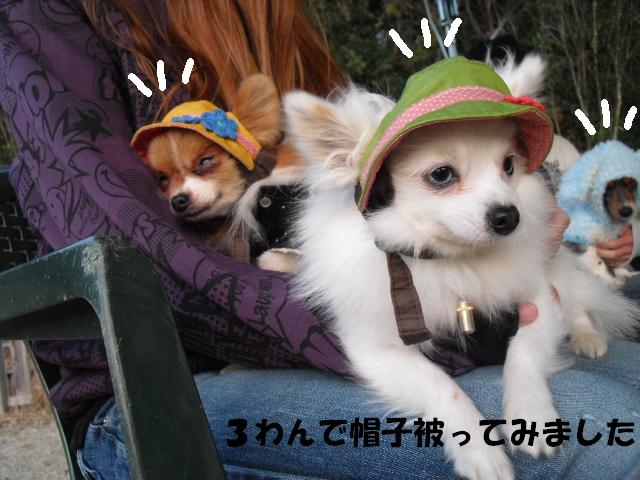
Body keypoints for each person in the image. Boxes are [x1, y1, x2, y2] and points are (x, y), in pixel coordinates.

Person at [0, 1, 638, 479]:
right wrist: (435, 332)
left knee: (623, 385)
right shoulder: (56, 22)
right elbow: (125, 244)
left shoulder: (286, 35)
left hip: (347, 334)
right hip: (158, 388)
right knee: (607, 430)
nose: (181, 193)